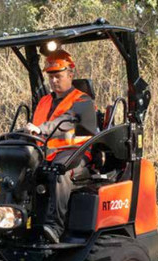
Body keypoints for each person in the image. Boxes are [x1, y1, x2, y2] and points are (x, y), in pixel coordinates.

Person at [24, 50, 97, 243]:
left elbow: (67, 121)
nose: (54, 81)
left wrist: (40, 130)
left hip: (76, 154)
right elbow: (34, 128)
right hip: (45, 153)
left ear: (71, 74)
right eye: (51, 77)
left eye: (58, 76)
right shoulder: (44, 101)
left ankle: (55, 227)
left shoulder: (82, 100)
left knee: (60, 172)